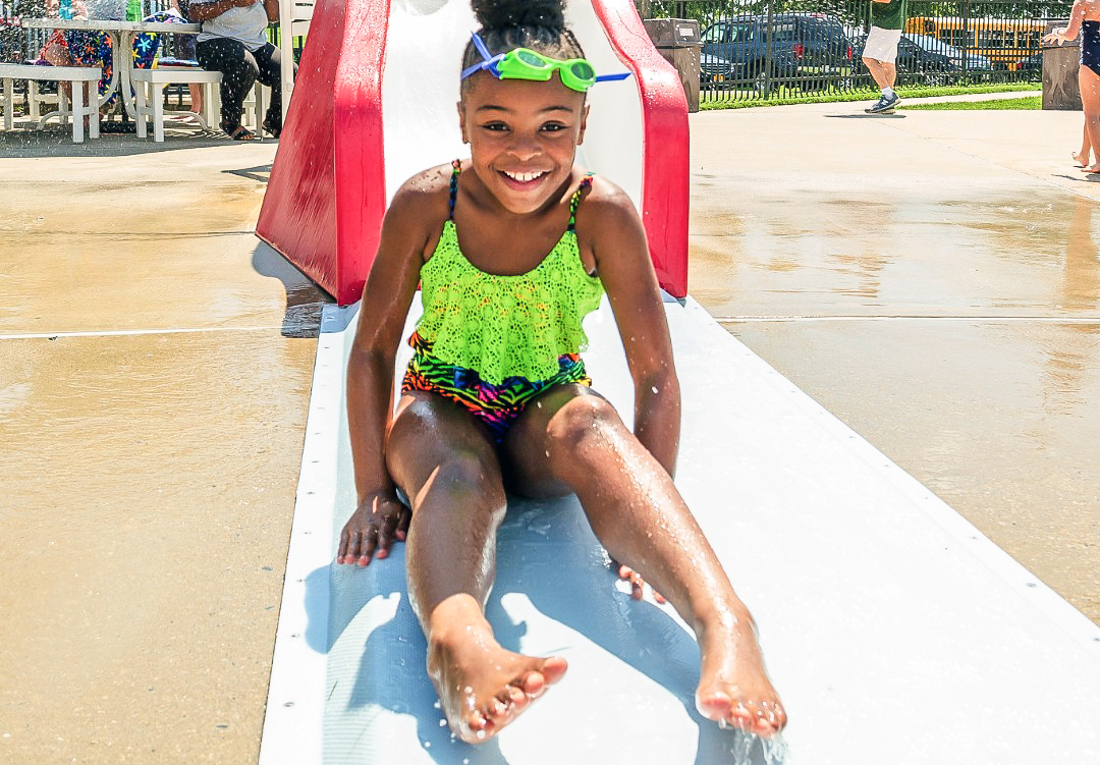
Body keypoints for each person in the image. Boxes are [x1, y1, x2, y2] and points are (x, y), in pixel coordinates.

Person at [334, 0, 787, 745]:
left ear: (582, 124)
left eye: (551, 125)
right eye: (496, 125)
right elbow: (375, 350)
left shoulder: (599, 212)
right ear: (461, 119)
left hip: (544, 412)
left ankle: (726, 624)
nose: (524, 149)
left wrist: (633, 523)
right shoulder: (427, 203)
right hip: (441, 407)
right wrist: (370, 489)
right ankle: (459, 642)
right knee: (457, 472)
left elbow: (655, 376)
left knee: (595, 421)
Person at [188, 0, 294, 140]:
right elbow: (194, 13)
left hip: (256, 44)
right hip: (214, 42)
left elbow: (273, 17)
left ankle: (274, 121)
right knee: (245, 65)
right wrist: (232, 2)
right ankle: (230, 121)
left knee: (291, 73)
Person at [1046, 1, 1100, 173]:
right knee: (1094, 111)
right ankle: (1084, 154)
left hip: (1092, 61)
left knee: (1091, 113)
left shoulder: (1083, 2)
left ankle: (1099, 161)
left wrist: (1058, 32)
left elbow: (1070, 34)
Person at [862, 0, 907, 114]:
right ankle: (888, 102)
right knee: (887, 62)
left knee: (868, 58)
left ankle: (888, 95)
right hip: (893, 24)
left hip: (884, 26)